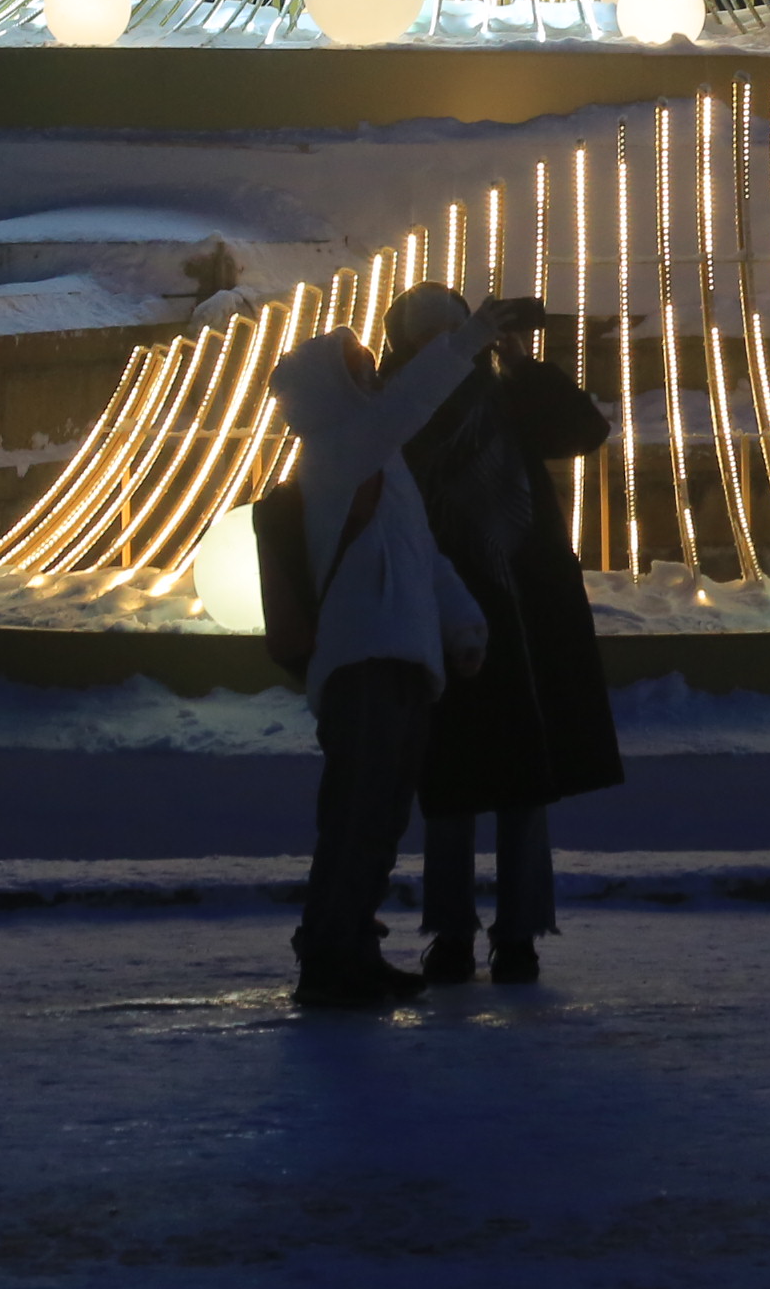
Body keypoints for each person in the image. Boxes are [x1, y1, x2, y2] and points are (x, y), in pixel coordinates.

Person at [252, 292, 537, 1008]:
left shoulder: (379, 460)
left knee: (379, 817)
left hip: (401, 658)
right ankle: (329, 955)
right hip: (364, 663)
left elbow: (422, 554)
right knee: (357, 815)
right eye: (361, 368)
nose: (377, 375)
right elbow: (410, 403)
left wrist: (463, 626)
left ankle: (353, 945)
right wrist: (468, 338)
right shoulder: (341, 450)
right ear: (335, 389)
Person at [383, 284, 626, 987]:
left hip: (525, 607)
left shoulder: (503, 394)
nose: (444, 347)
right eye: (429, 336)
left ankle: (517, 934)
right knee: (452, 783)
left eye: (454, 331)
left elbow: (582, 432)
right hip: (444, 602)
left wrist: (521, 364)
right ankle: (453, 934)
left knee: (523, 781)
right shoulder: (398, 400)